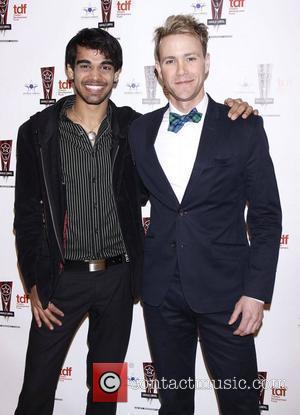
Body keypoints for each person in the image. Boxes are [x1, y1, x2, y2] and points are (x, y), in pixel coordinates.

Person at [14, 27, 255, 415]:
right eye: (85, 66)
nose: (95, 76)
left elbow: (189, 134)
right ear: (68, 72)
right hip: (60, 281)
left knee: (107, 389)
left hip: (117, 283)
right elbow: (26, 215)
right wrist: (34, 280)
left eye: (105, 66)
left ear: (117, 74)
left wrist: (235, 109)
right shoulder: (37, 133)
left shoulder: (135, 129)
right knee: (36, 390)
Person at [129, 15, 282, 415]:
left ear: (207, 62)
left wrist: (256, 292)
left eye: (190, 58)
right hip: (162, 294)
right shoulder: (140, 132)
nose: (182, 70)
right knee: (174, 403)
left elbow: (266, 216)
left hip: (228, 295)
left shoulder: (242, 125)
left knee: (240, 403)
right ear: (158, 70)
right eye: (170, 61)